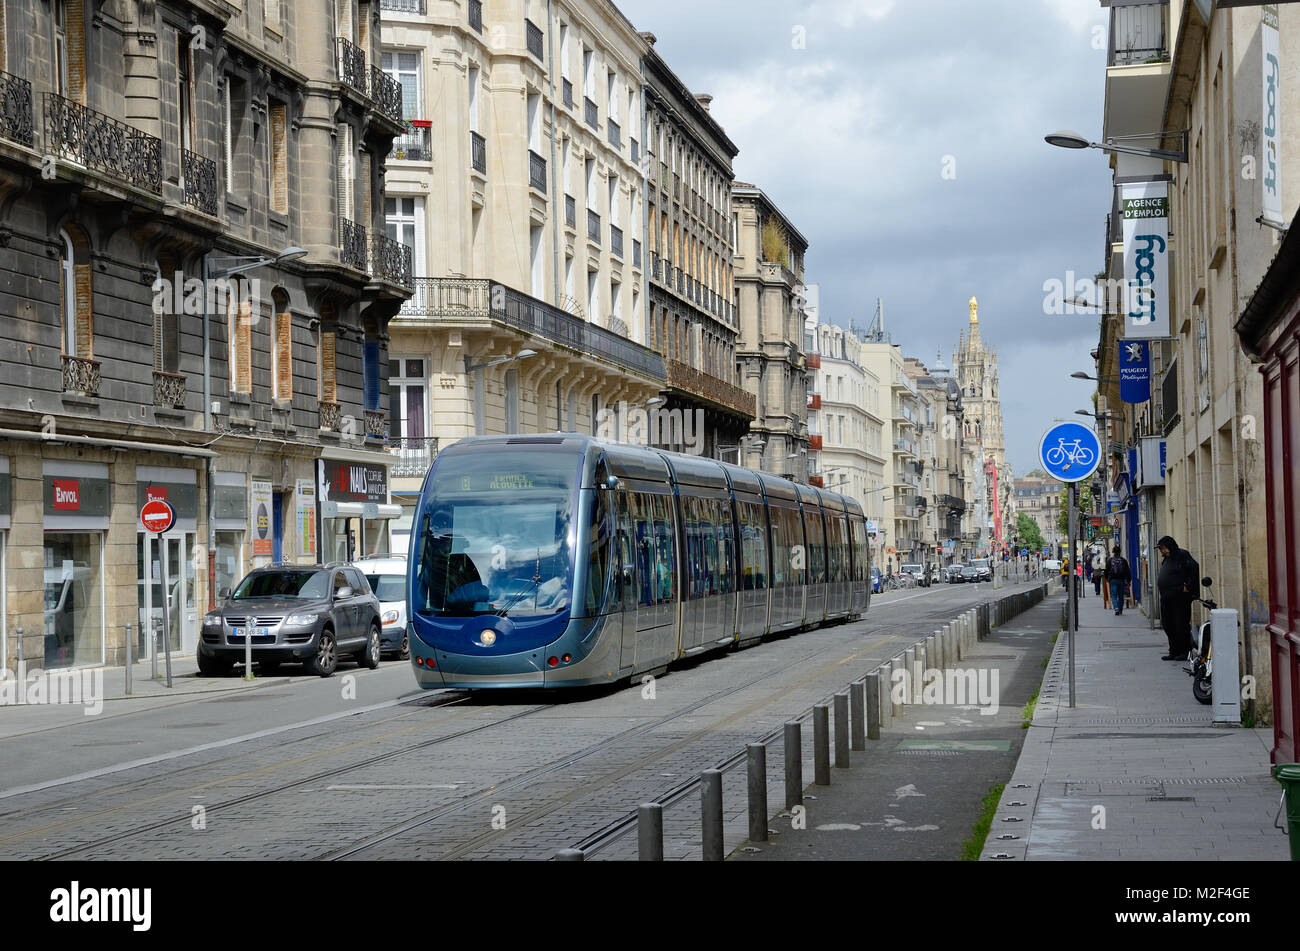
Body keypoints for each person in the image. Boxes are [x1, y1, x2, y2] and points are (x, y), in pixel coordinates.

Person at [1156, 536, 1198, 661]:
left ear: (1170, 546)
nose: (1163, 551)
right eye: (1161, 549)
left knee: (1180, 624)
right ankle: (1173, 651)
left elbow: (1195, 569)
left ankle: (1184, 652)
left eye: (1164, 548)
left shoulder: (1182, 555)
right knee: (1168, 624)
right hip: (1166, 597)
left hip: (1180, 597)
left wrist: (1188, 586)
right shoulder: (1167, 559)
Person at [1104, 545, 1131, 615]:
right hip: (1121, 580)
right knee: (1121, 595)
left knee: (1113, 595)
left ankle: (1116, 608)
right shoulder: (1123, 560)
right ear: (1120, 552)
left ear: (1113, 552)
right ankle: (1120, 609)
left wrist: (1107, 578)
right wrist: (1129, 580)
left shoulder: (1110, 560)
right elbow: (1127, 571)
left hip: (1112, 580)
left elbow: (1106, 571)